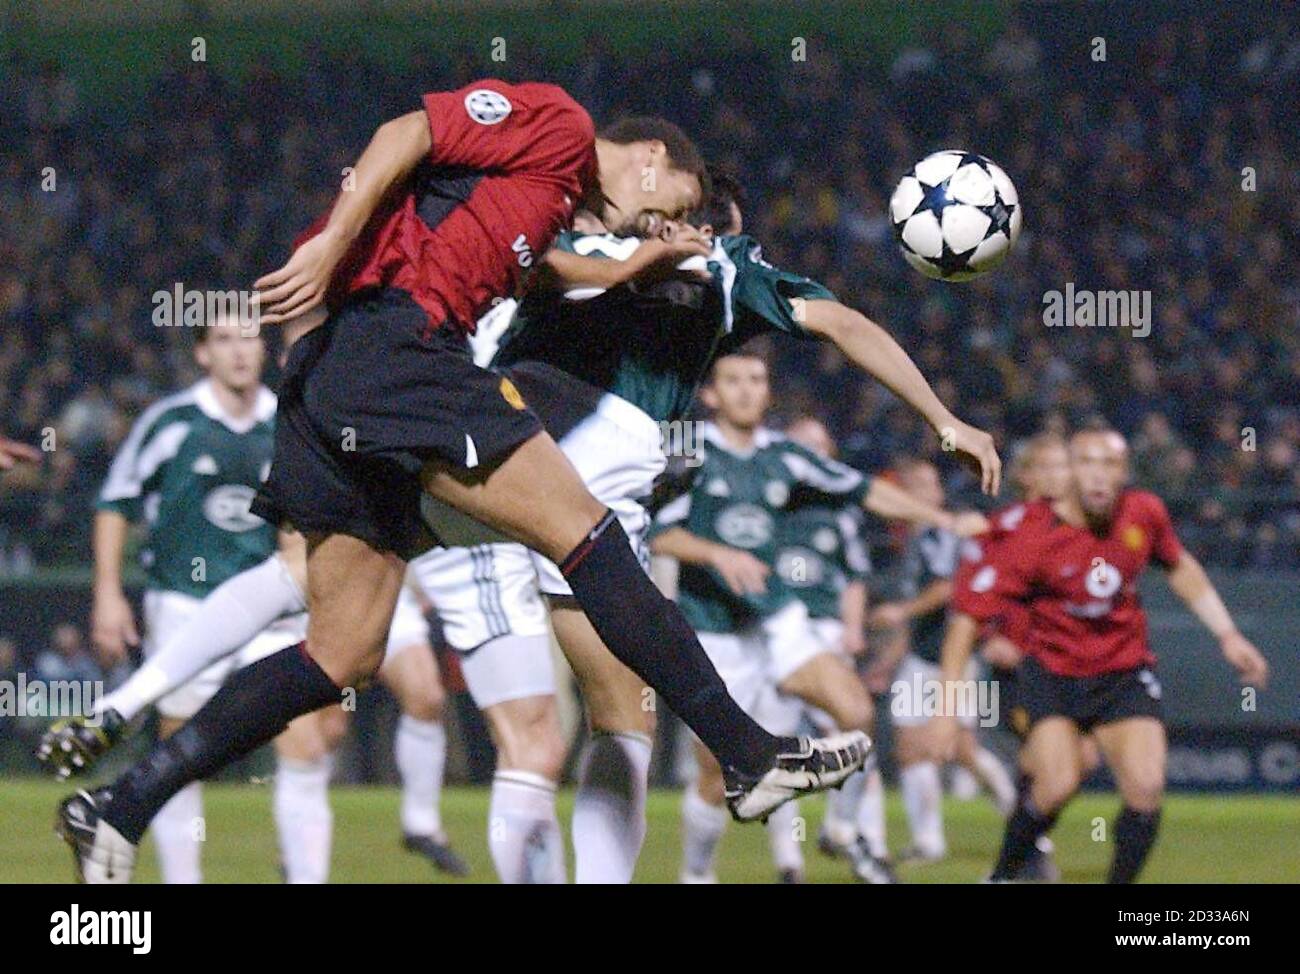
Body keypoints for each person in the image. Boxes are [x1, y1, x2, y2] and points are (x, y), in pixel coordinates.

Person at [59, 81, 937, 882]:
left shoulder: (555, 222)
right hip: (401, 352)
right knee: (586, 533)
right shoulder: (561, 127)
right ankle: (748, 753)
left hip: (337, 381)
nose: (677, 219)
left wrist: (636, 265)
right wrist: (334, 234)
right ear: (655, 161)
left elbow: (556, 267)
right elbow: (406, 128)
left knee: (340, 653)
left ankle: (119, 807)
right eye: (683, 201)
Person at [408, 169, 996, 883]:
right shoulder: (721, 264)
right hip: (581, 469)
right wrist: (944, 419)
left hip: (472, 445)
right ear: (705, 224)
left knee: (355, 640)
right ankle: (747, 767)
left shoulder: (572, 245)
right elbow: (842, 323)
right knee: (613, 720)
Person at [648, 352, 985, 883]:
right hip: (715, 630)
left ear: (767, 391)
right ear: (710, 394)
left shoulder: (786, 456)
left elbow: (865, 489)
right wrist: (718, 554)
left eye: (755, 379)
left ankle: (843, 830)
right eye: (732, 380)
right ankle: (696, 874)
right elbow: (659, 533)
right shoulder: (689, 453)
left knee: (855, 712)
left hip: (776, 619)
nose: (745, 390)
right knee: (715, 772)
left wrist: (942, 518)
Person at [931, 427, 1269, 883]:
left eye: (1111, 465)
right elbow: (966, 620)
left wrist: (1227, 634)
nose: (1100, 476)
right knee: (1056, 785)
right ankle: (1005, 874)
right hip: (1052, 675)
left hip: (1123, 671)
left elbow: (1179, 565)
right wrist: (947, 710)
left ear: (1125, 472)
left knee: (1146, 788)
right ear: (1070, 471)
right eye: (1088, 462)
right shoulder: (1030, 535)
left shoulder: (1143, 513)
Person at [83, 313, 292, 883]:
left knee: (311, 735)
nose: (240, 352)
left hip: (272, 606)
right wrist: (108, 595)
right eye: (224, 340)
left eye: (249, 337)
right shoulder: (171, 423)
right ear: (202, 354)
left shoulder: (289, 421)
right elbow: (116, 501)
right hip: (184, 600)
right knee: (181, 747)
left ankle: (304, 868)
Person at [868, 458, 1015, 862]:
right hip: (921, 656)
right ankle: (928, 840)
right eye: (909, 486)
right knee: (909, 748)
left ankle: (1022, 819)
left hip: (954, 658)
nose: (916, 493)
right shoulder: (915, 539)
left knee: (962, 750)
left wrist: (902, 611)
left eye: (925, 486)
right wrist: (889, 659)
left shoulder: (942, 533)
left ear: (936, 494)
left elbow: (949, 589)